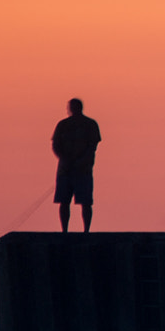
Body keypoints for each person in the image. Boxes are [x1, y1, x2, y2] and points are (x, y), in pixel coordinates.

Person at [50, 97, 101, 234]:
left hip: (83, 171)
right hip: (65, 171)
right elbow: (55, 145)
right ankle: (65, 231)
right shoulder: (62, 125)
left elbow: (92, 146)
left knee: (85, 203)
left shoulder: (90, 124)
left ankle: (86, 231)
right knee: (64, 201)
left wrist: (81, 161)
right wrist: (65, 160)